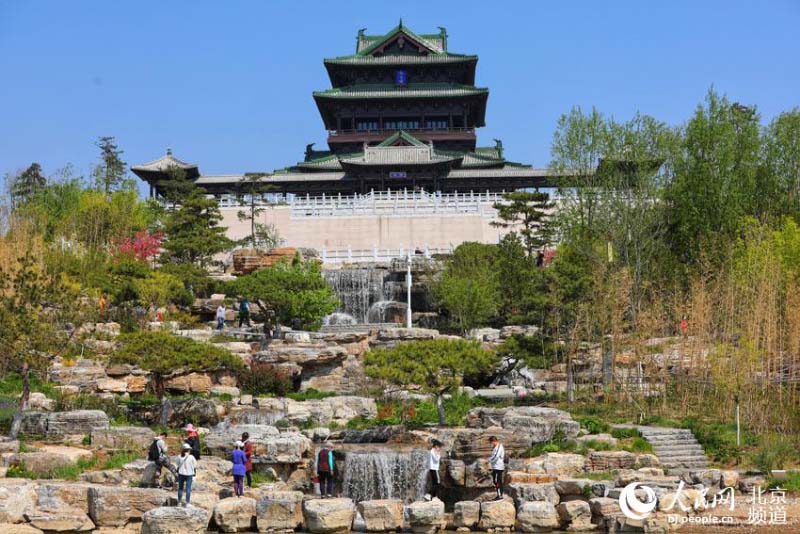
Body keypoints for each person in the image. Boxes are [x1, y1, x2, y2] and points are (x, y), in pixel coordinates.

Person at [488, 435, 505, 500]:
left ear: (494, 441)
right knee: (496, 481)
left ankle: (500, 495)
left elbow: (496, 456)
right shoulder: (495, 447)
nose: (491, 444)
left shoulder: (499, 447)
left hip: (498, 467)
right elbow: (493, 456)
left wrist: (489, 461)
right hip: (495, 466)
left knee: (497, 481)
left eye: (491, 443)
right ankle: (499, 494)